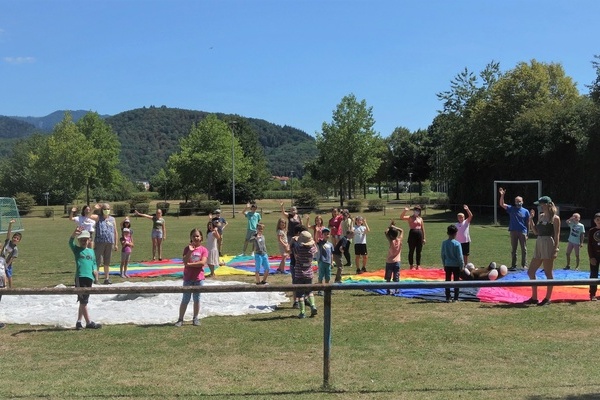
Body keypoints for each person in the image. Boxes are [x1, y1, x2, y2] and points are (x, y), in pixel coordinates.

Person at [524, 196, 561, 306]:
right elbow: (535, 232)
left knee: (548, 272)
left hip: (548, 243)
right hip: (539, 242)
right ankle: (534, 297)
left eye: (541, 204)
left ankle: (547, 298)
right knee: (531, 272)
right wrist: (531, 220)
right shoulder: (540, 216)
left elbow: (557, 235)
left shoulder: (555, 218)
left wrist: (556, 250)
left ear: (547, 204)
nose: (540, 206)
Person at [69, 226, 101, 330]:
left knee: (84, 301)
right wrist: (74, 233)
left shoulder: (91, 251)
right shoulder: (77, 250)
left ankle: (79, 322)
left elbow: (94, 263)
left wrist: (95, 270)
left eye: (85, 240)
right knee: (83, 301)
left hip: (89, 278)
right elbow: (70, 242)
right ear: (79, 240)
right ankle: (88, 322)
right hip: (80, 277)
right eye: (82, 240)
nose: (83, 241)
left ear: (89, 240)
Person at [175, 228, 208, 327]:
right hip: (188, 278)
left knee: (197, 299)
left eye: (197, 236)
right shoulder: (186, 249)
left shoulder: (204, 250)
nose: (196, 238)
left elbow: (202, 263)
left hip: (199, 278)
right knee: (185, 299)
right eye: (194, 236)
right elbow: (184, 261)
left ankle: (195, 318)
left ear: (201, 237)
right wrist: (190, 252)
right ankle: (180, 319)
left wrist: (189, 264)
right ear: (191, 237)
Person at [499, 188, 531, 271]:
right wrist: (502, 195)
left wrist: (528, 233)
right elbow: (502, 204)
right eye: (517, 201)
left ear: (522, 201)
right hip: (513, 231)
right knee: (514, 249)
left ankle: (524, 265)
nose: (518, 202)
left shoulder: (526, 211)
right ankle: (514, 265)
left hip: (522, 232)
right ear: (515, 202)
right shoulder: (511, 209)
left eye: (519, 201)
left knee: (524, 249)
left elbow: (528, 223)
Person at [293, 231, 318, 318]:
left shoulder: (299, 249)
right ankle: (313, 305)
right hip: (309, 273)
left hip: (299, 274)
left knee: (300, 294)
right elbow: (316, 248)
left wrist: (296, 240)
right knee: (309, 291)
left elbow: (294, 248)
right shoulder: (312, 250)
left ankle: (302, 312)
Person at [94, 203, 118, 284]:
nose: (106, 210)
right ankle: (96, 279)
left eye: (108, 209)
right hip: (99, 242)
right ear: (102, 210)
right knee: (97, 261)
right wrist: (94, 209)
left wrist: (116, 243)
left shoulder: (112, 219)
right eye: (105, 209)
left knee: (107, 261)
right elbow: (88, 216)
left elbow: (115, 232)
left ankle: (107, 278)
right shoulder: (98, 218)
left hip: (109, 242)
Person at [441, 224, 464, 303]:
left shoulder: (444, 243)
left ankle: (448, 297)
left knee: (447, 281)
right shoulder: (457, 244)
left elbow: (442, 255)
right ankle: (456, 298)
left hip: (447, 264)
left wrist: (444, 264)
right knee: (456, 281)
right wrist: (462, 265)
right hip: (456, 265)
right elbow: (460, 256)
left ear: (447, 233)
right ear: (455, 233)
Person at [400, 205, 426, 270]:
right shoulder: (410, 218)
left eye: (418, 210)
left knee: (418, 251)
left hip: (419, 234)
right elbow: (401, 217)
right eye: (416, 210)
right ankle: (411, 265)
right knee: (411, 250)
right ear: (413, 211)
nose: (417, 211)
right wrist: (405, 210)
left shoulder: (420, 219)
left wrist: (424, 238)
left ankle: (418, 265)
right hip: (412, 234)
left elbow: (423, 229)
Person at [384, 221, 403, 295]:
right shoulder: (399, 240)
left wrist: (390, 227)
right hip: (397, 262)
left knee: (388, 277)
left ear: (390, 236)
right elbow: (401, 230)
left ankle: (388, 290)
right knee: (396, 277)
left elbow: (385, 232)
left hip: (389, 262)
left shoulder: (391, 241)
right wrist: (395, 227)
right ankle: (397, 289)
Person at [1, 219, 21, 288]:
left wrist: (7, 265)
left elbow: (12, 258)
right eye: (14, 237)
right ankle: (3, 285)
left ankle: (11, 288)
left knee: (9, 275)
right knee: (2, 274)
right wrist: (10, 224)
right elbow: (8, 233)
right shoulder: (7, 242)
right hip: (1, 261)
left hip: (7, 263)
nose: (15, 239)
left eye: (17, 239)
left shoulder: (15, 249)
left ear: (19, 241)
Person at [316, 227, 333, 295]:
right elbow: (316, 239)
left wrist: (331, 262)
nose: (326, 235)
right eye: (325, 234)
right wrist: (317, 232)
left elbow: (331, 254)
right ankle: (320, 290)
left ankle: (327, 289)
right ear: (322, 235)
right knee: (321, 276)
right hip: (322, 262)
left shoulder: (330, 244)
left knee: (328, 276)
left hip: (328, 262)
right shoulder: (320, 242)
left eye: (328, 234)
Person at [588, 213, 600, 301]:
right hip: (595, 256)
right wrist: (591, 257)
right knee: (593, 274)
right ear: (594, 221)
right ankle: (592, 294)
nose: (599, 221)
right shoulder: (592, 231)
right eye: (597, 220)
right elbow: (589, 245)